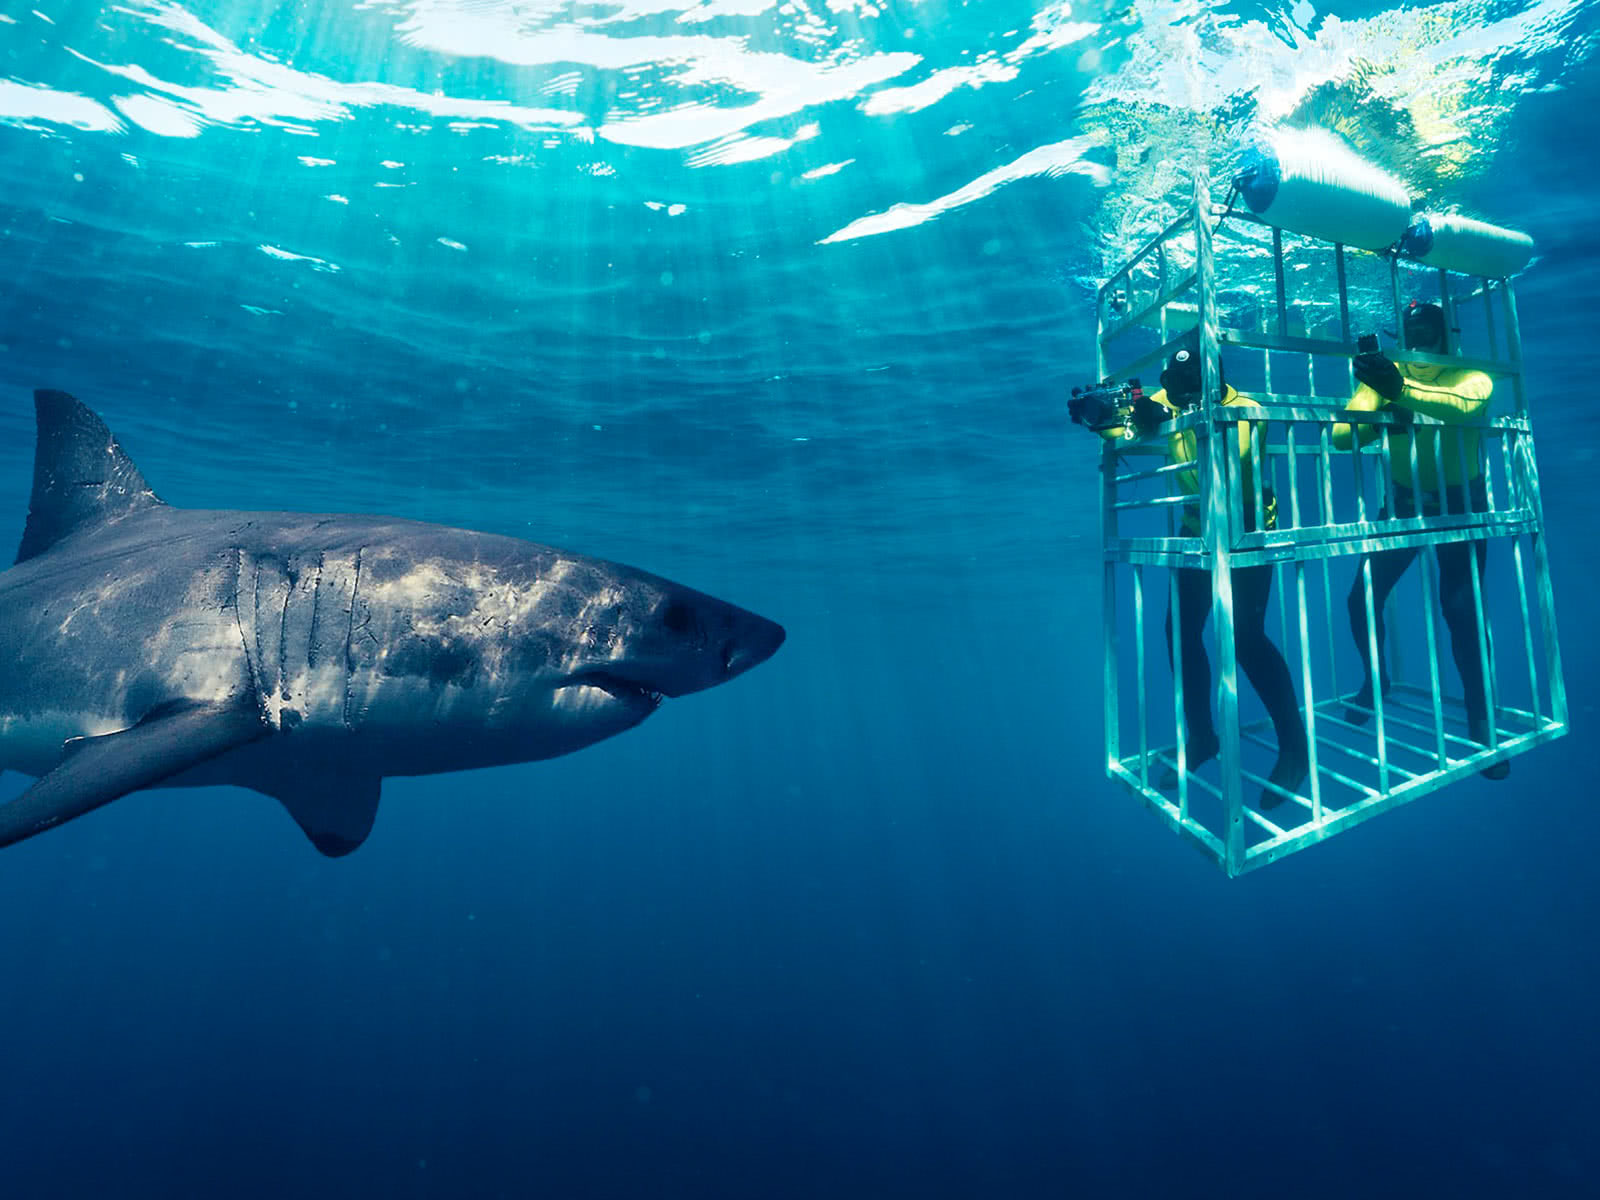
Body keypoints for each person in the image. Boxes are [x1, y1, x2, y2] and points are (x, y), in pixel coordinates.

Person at [1072, 346, 1309, 809]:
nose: (1177, 400)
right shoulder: (1175, 397)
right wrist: (1107, 416)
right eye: (1174, 391)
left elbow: (1232, 456)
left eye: (1186, 393)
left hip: (1247, 536)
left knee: (1246, 638)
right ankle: (1201, 736)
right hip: (1196, 534)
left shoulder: (1247, 410)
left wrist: (1169, 414)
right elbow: (1119, 431)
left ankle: (1295, 749)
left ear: (1209, 382)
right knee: (1178, 633)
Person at [1333, 300, 1508, 780]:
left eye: (1426, 331)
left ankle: (1481, 717)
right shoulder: (1383, 377)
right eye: (1409, 333)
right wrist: (1383, 403)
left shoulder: (1469, 372)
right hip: (1404, 502)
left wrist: (1400, 391)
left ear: (1445, 335)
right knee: (1360, 599)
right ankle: (1376, 681)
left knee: (1461, 611)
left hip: (1462, 506)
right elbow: (1341, 438)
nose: (1418, 341)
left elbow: (1463, 406)